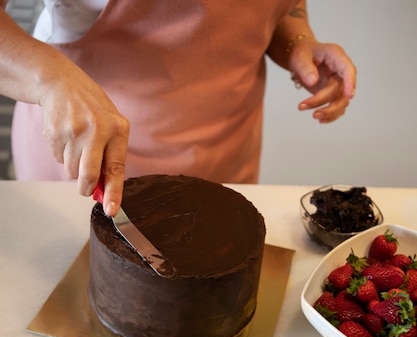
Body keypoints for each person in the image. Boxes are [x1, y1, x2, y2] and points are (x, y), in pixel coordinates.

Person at [0, 1, 356, 216]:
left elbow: (281, 8)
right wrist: (51, 80)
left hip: (226, 149)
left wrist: (297, 41)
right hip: (86, 152)